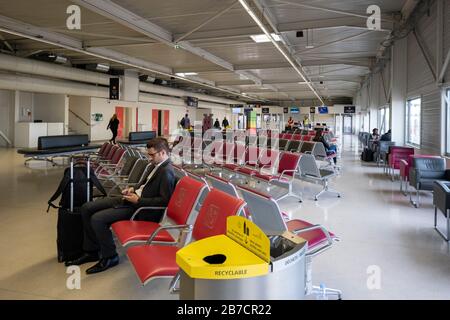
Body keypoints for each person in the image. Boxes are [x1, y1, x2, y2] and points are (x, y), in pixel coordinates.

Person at [65, 138, 176, 274]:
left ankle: (110, 256)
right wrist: (131, 188)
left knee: (97, 219)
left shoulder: (167, 172)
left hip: (141, 209)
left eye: (152, 155)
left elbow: (165, 201)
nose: (149, 157)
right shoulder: (156, 165)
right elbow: (144, 184)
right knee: (87, 208)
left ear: (163, 152)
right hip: (132, 199)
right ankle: (92, 250)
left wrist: (138, 201)